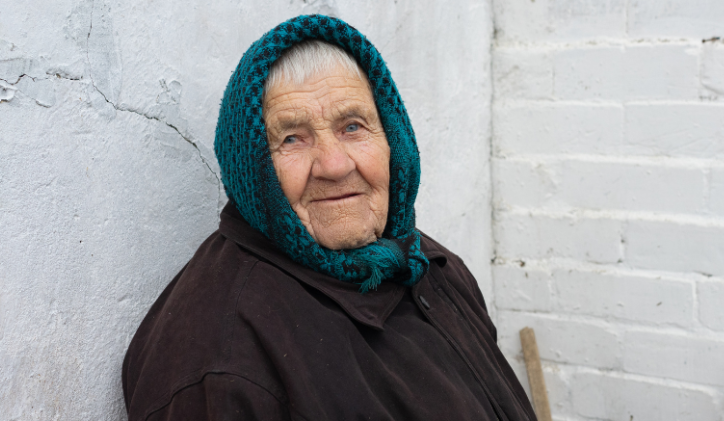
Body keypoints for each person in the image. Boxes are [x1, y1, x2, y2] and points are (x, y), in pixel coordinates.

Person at [122, 15, 537, 421]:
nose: (335, 165)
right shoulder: (222, 363)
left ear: (393, 137)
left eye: (352, 126)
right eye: (292, 138)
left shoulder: (423, 263)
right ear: (250, 166)